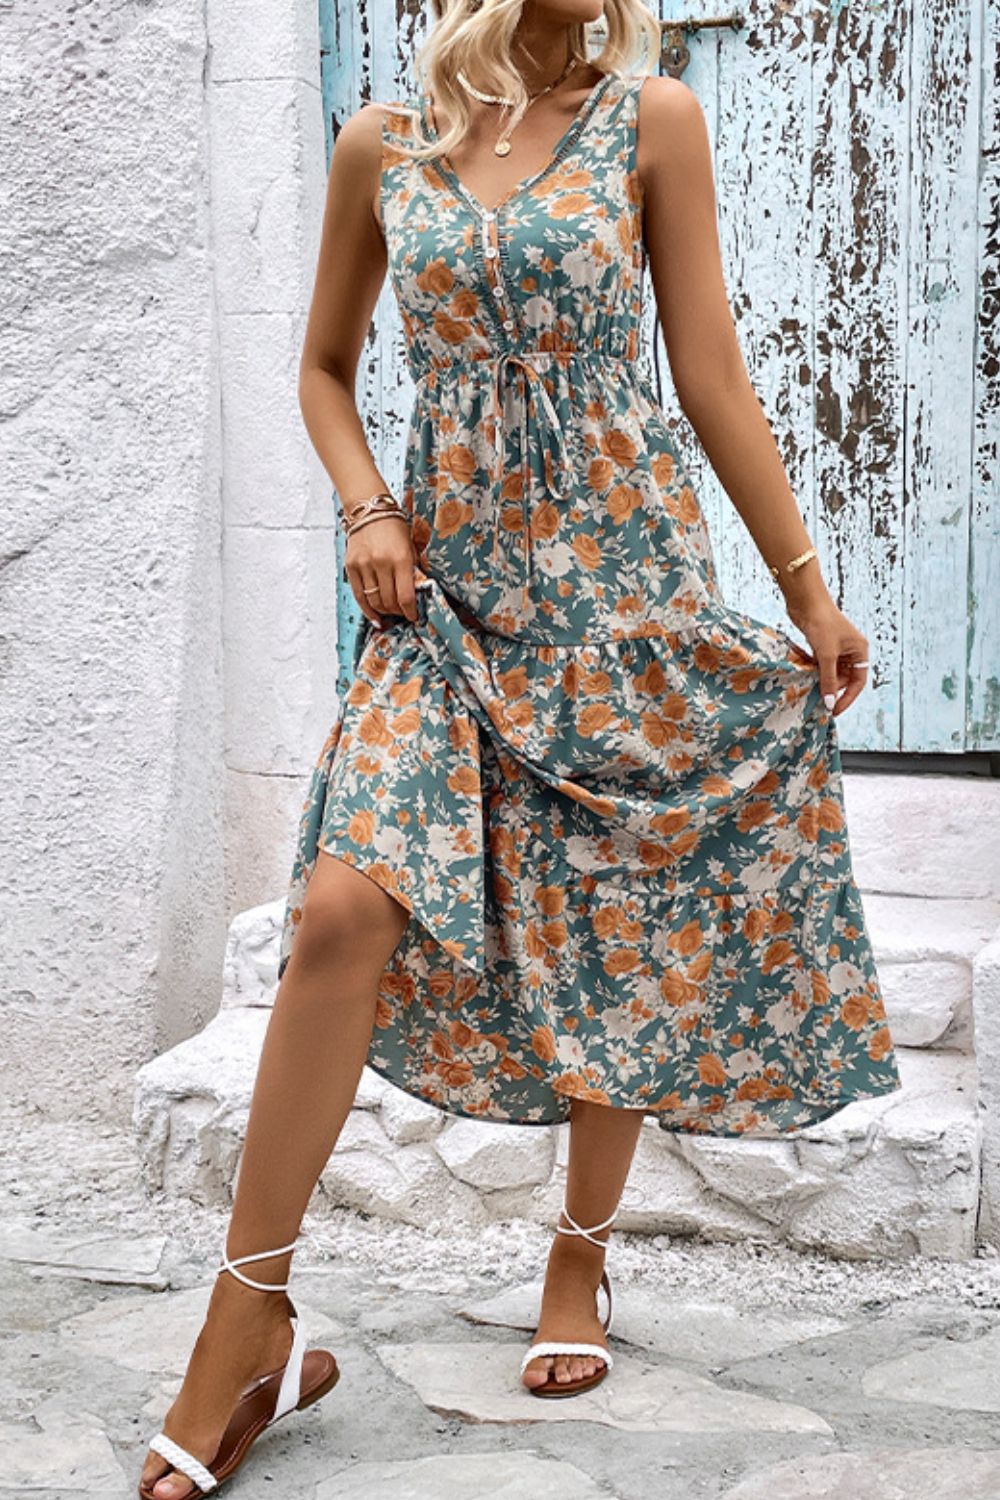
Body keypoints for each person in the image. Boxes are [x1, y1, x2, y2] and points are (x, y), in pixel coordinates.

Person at [139, 1, 903, 1494]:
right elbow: (322, 368)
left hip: (624, 592)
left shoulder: (652, 121)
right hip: (445, 599)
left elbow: (708, 369)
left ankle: (579, 1257)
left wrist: (807, 589)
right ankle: (250, 1315)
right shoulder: (383, 143)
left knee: (617, 918)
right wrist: (368, 505)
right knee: (340, 911)